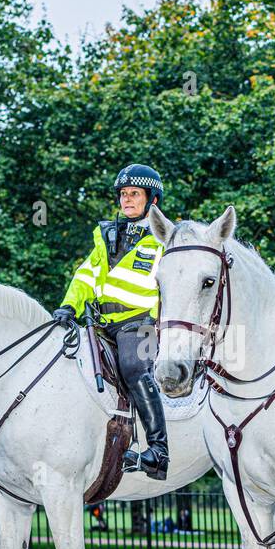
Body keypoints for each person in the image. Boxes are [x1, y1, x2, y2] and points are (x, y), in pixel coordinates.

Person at [54, 165, 169, 479]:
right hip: (104, 325)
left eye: (134, 194)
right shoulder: (106, 235)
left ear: (153, 200)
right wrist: (68, 306)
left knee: (134, 366)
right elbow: (86, 275)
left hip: (144, 324)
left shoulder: (165, 238)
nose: (127, 200)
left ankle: (158, 452)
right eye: (123, 194)